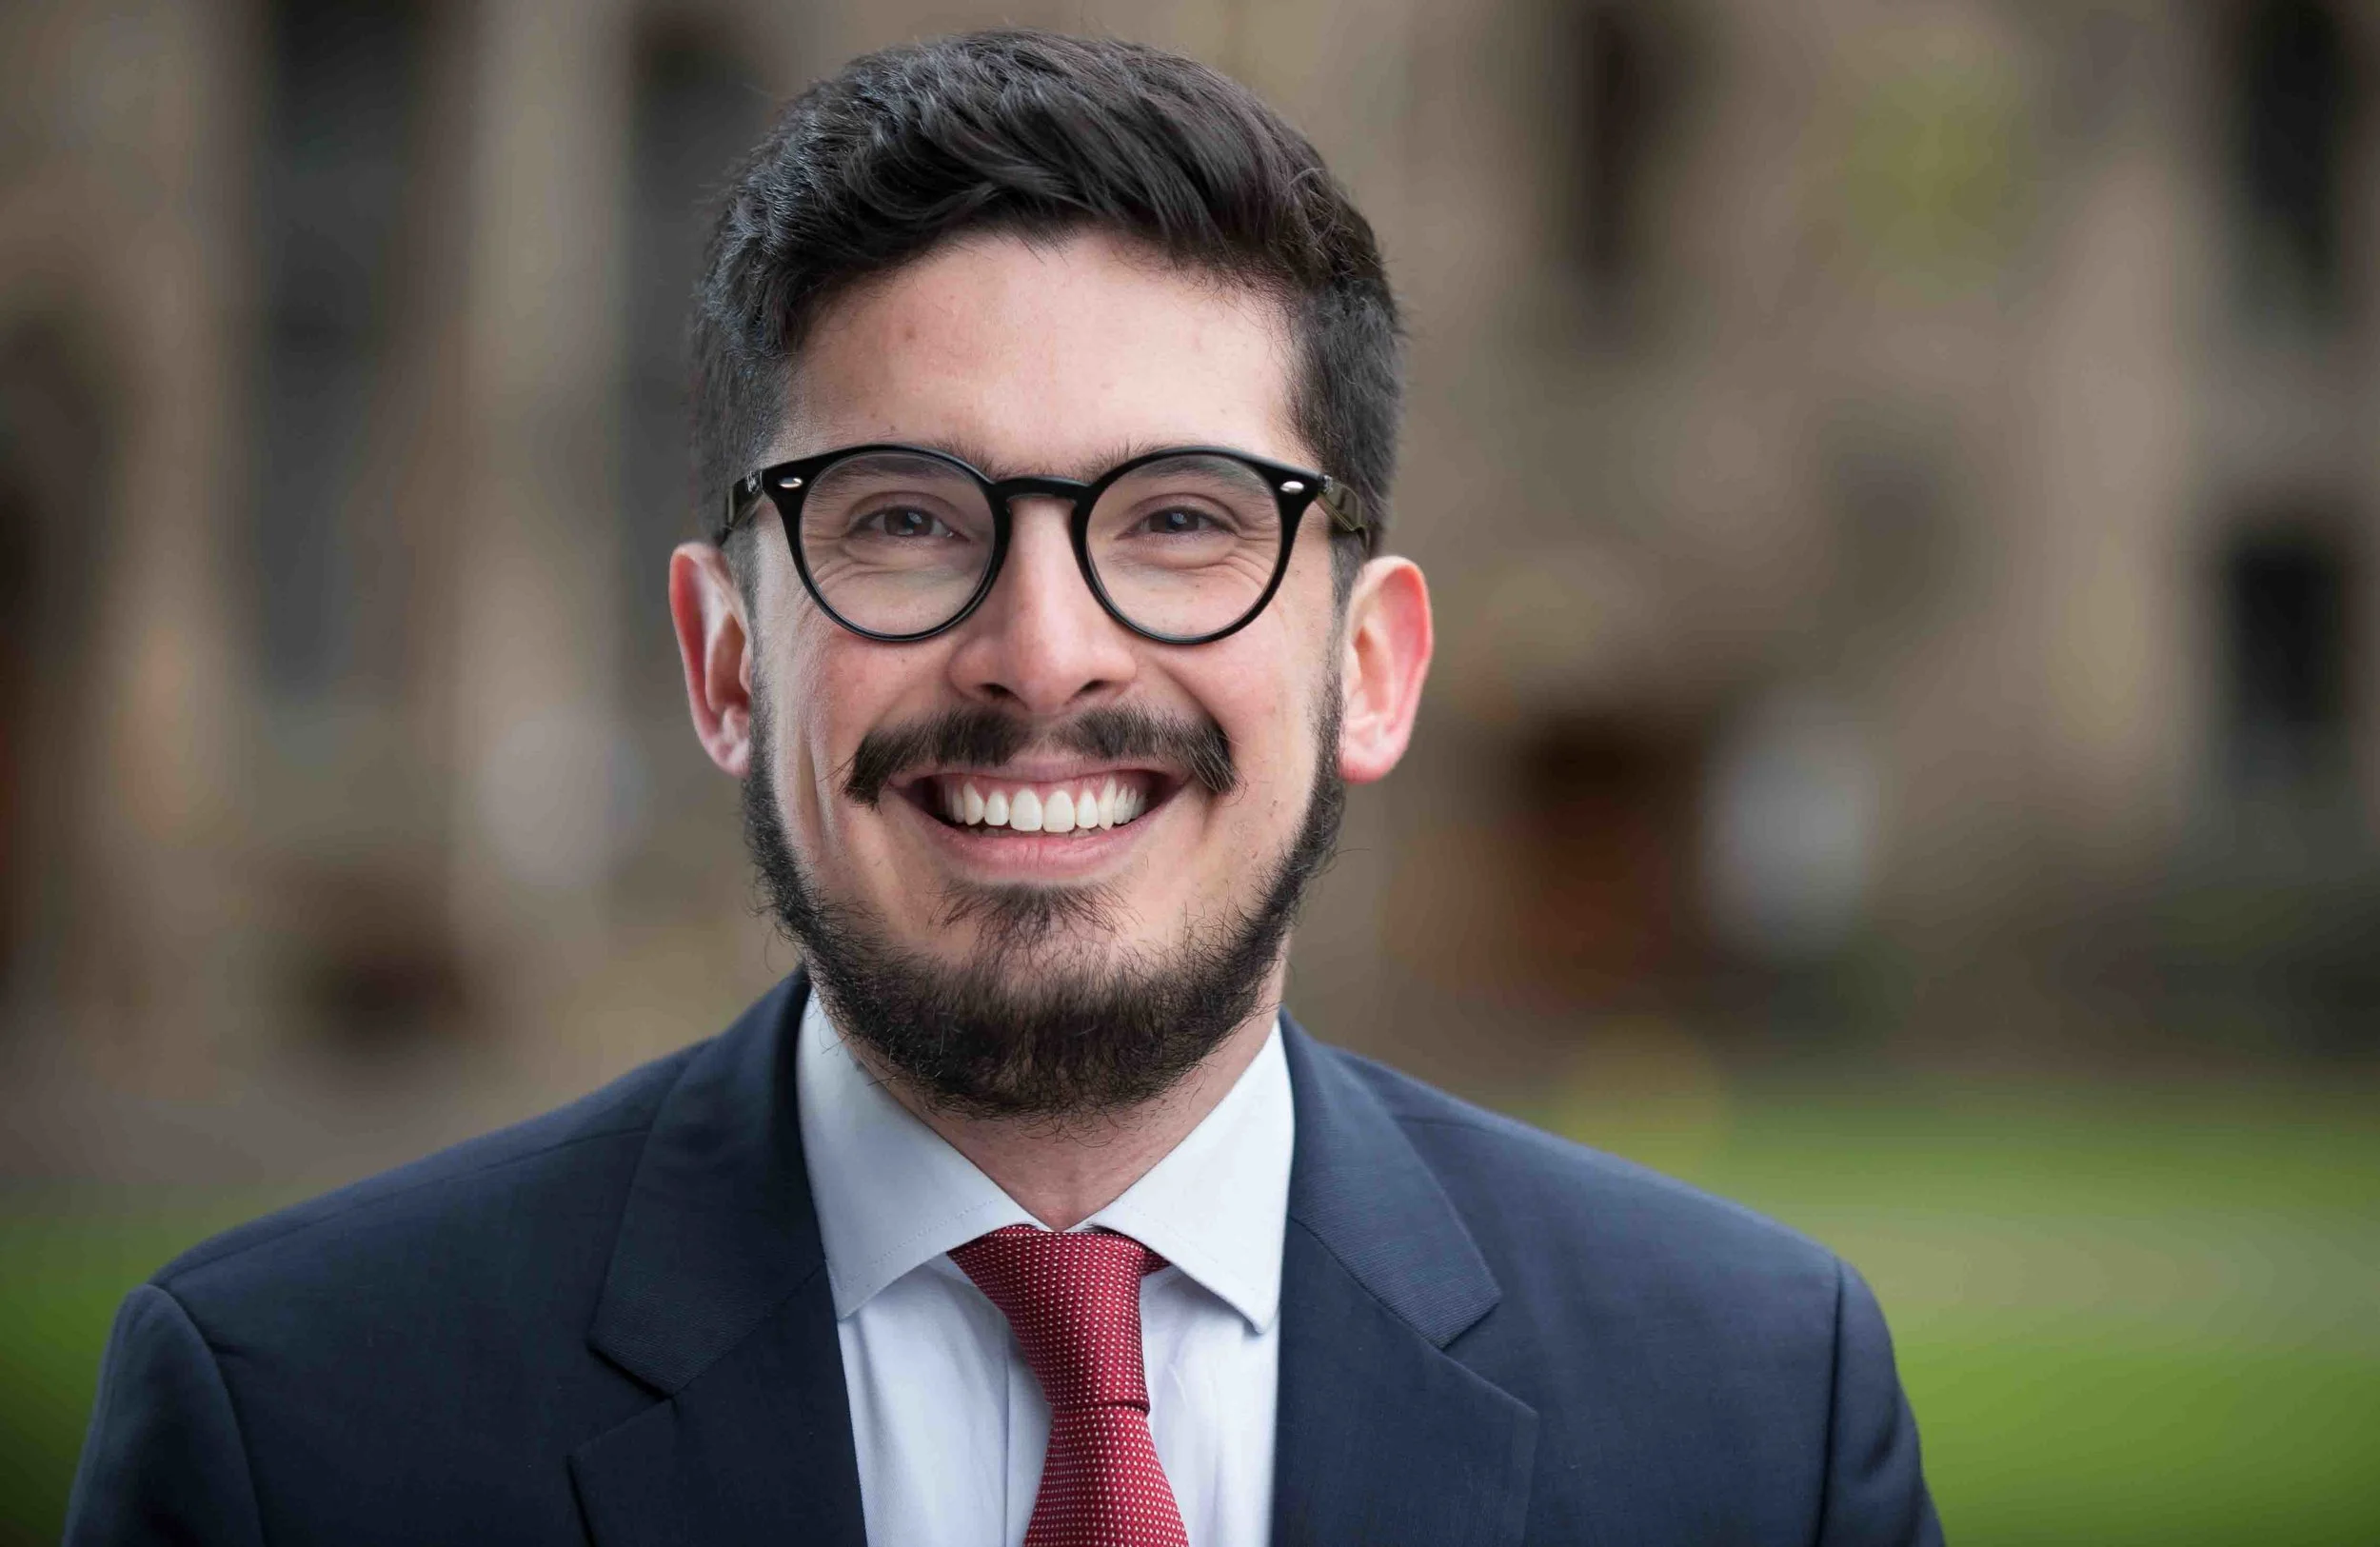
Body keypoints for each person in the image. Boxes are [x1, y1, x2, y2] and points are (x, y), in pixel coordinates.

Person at [66, 30, 1939, 1546]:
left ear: (1368, 669)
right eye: (898, 518)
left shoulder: (1760, 1417)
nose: (1044, 654)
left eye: (1186, 519)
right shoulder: (290, 1429)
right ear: (726, 658)